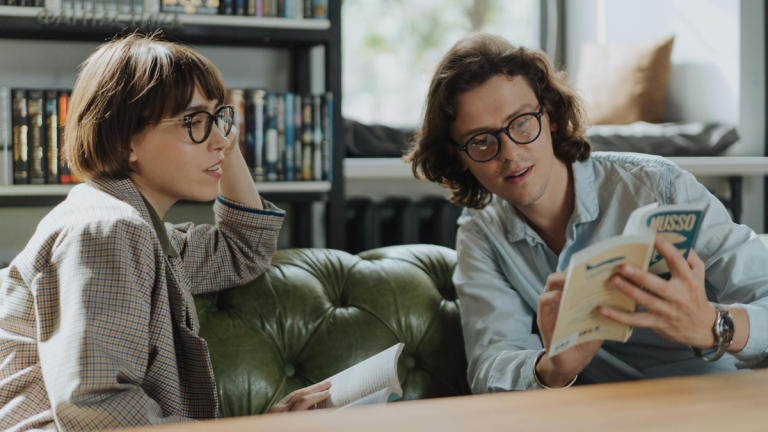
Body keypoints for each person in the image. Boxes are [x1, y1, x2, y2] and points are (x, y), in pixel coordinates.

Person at [0, 34, 329, 431]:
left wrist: (223, 140)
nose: (220, 141)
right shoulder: (107, 230)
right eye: (193, 122)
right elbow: (99, 412)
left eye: (219, 118)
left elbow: (245, 248)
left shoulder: (137, 229)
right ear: (125, 142)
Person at [405, 32, 768, 393]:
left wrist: (712, 325)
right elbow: (490, 365)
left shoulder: (659, 186)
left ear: (549, 115)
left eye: (521, 123)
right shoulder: (481, 232)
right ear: (457, 155)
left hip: (714, 403)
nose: (510, 154)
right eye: (481, 141)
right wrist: (552, 367)